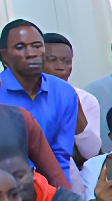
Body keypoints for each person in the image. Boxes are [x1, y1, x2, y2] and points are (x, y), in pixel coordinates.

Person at [0, 20, 83, 176]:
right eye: (20, 47)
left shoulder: (64, 92)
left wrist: (61, 195)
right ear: (5, 55)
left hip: (51, 182)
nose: (31, 53)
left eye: (37, 46)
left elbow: (61, 156)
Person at [41, 33, 100, 176]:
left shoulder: (86, 100)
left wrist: (74, 105)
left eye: (66, 61)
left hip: (73, 175)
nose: (60, 67)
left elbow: (91, 151)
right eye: (52, 60)